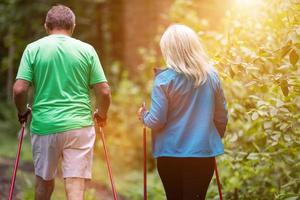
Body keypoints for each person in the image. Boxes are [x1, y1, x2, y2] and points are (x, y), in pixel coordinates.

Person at [13, 5, 111, 200]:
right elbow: (104, 91)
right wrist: (102, 114)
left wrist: (22, 111)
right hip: (79, 125)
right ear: (72, 26)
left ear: (46, 26)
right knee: (75, 188)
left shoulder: (33, 49)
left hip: (44, 125)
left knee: (44, 184)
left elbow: (19, 89)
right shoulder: (87, 50)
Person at [138, 24, 228, 200]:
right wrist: (211, 137)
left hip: (169, 155)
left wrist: (143, 115)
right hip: (202, 153)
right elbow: (221, 116)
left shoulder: (163, 80)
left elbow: (157, 120)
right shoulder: (211, 76)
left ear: (169, 50)